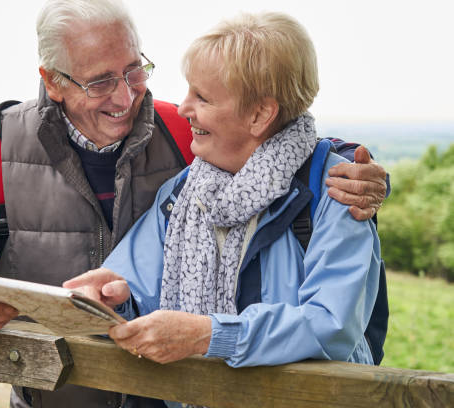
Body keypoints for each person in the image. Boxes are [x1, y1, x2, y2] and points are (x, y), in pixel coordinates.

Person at [0, 1, 388, 407]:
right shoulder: (0, 141)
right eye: (100, 81)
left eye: (134, 70)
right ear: (53, 81)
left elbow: (284, 144)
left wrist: (361, 171)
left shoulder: (197, 143)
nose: (128, 95)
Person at [64, 10, 382, 380]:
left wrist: (210, 336)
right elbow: (134, 286)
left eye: (202, 98)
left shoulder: (337, 190)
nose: (184, 109)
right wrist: (113, 297)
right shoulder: (182, 193)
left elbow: (331, 324)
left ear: (260, 114)